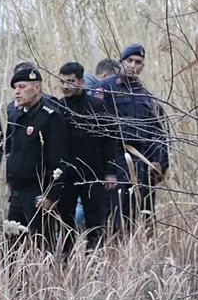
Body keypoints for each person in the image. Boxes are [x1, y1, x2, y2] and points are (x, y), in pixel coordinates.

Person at [97, 44, 169, 233]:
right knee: (117, 214)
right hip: (116, 157)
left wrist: (160, 161)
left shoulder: (146, 94)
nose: (133, 65)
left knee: (145, 212)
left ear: (142, 67)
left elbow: (158, 131)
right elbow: (96, 127)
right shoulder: (106, 88)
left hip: (142, 159)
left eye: (138, 62)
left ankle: (142, 250)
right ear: (121, 62)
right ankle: (116, 252)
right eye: (129, 61)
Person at [56, 62, 118, 250]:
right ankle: (66, 262)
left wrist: (110, 171)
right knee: (66, 220)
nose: (66, 86)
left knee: (95, 220)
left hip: (93, 173)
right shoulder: (58, 108)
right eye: (63, 82)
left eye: (71, 82)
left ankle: (94, 262)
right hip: (66, 175)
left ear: (81, 82)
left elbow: (109, 140)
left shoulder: (98, 106)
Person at [5, 68, 67, 249]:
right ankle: (14, 277)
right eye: (15, 87)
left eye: (22, 87)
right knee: (12, 244)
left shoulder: (50, 116)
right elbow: (13, 150)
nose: (17, 91)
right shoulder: (16, 114)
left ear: (37, 87)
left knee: (42, 244)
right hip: (17, 191)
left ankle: (48, 277)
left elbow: (59, 159)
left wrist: (52, 195)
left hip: (38, 192)